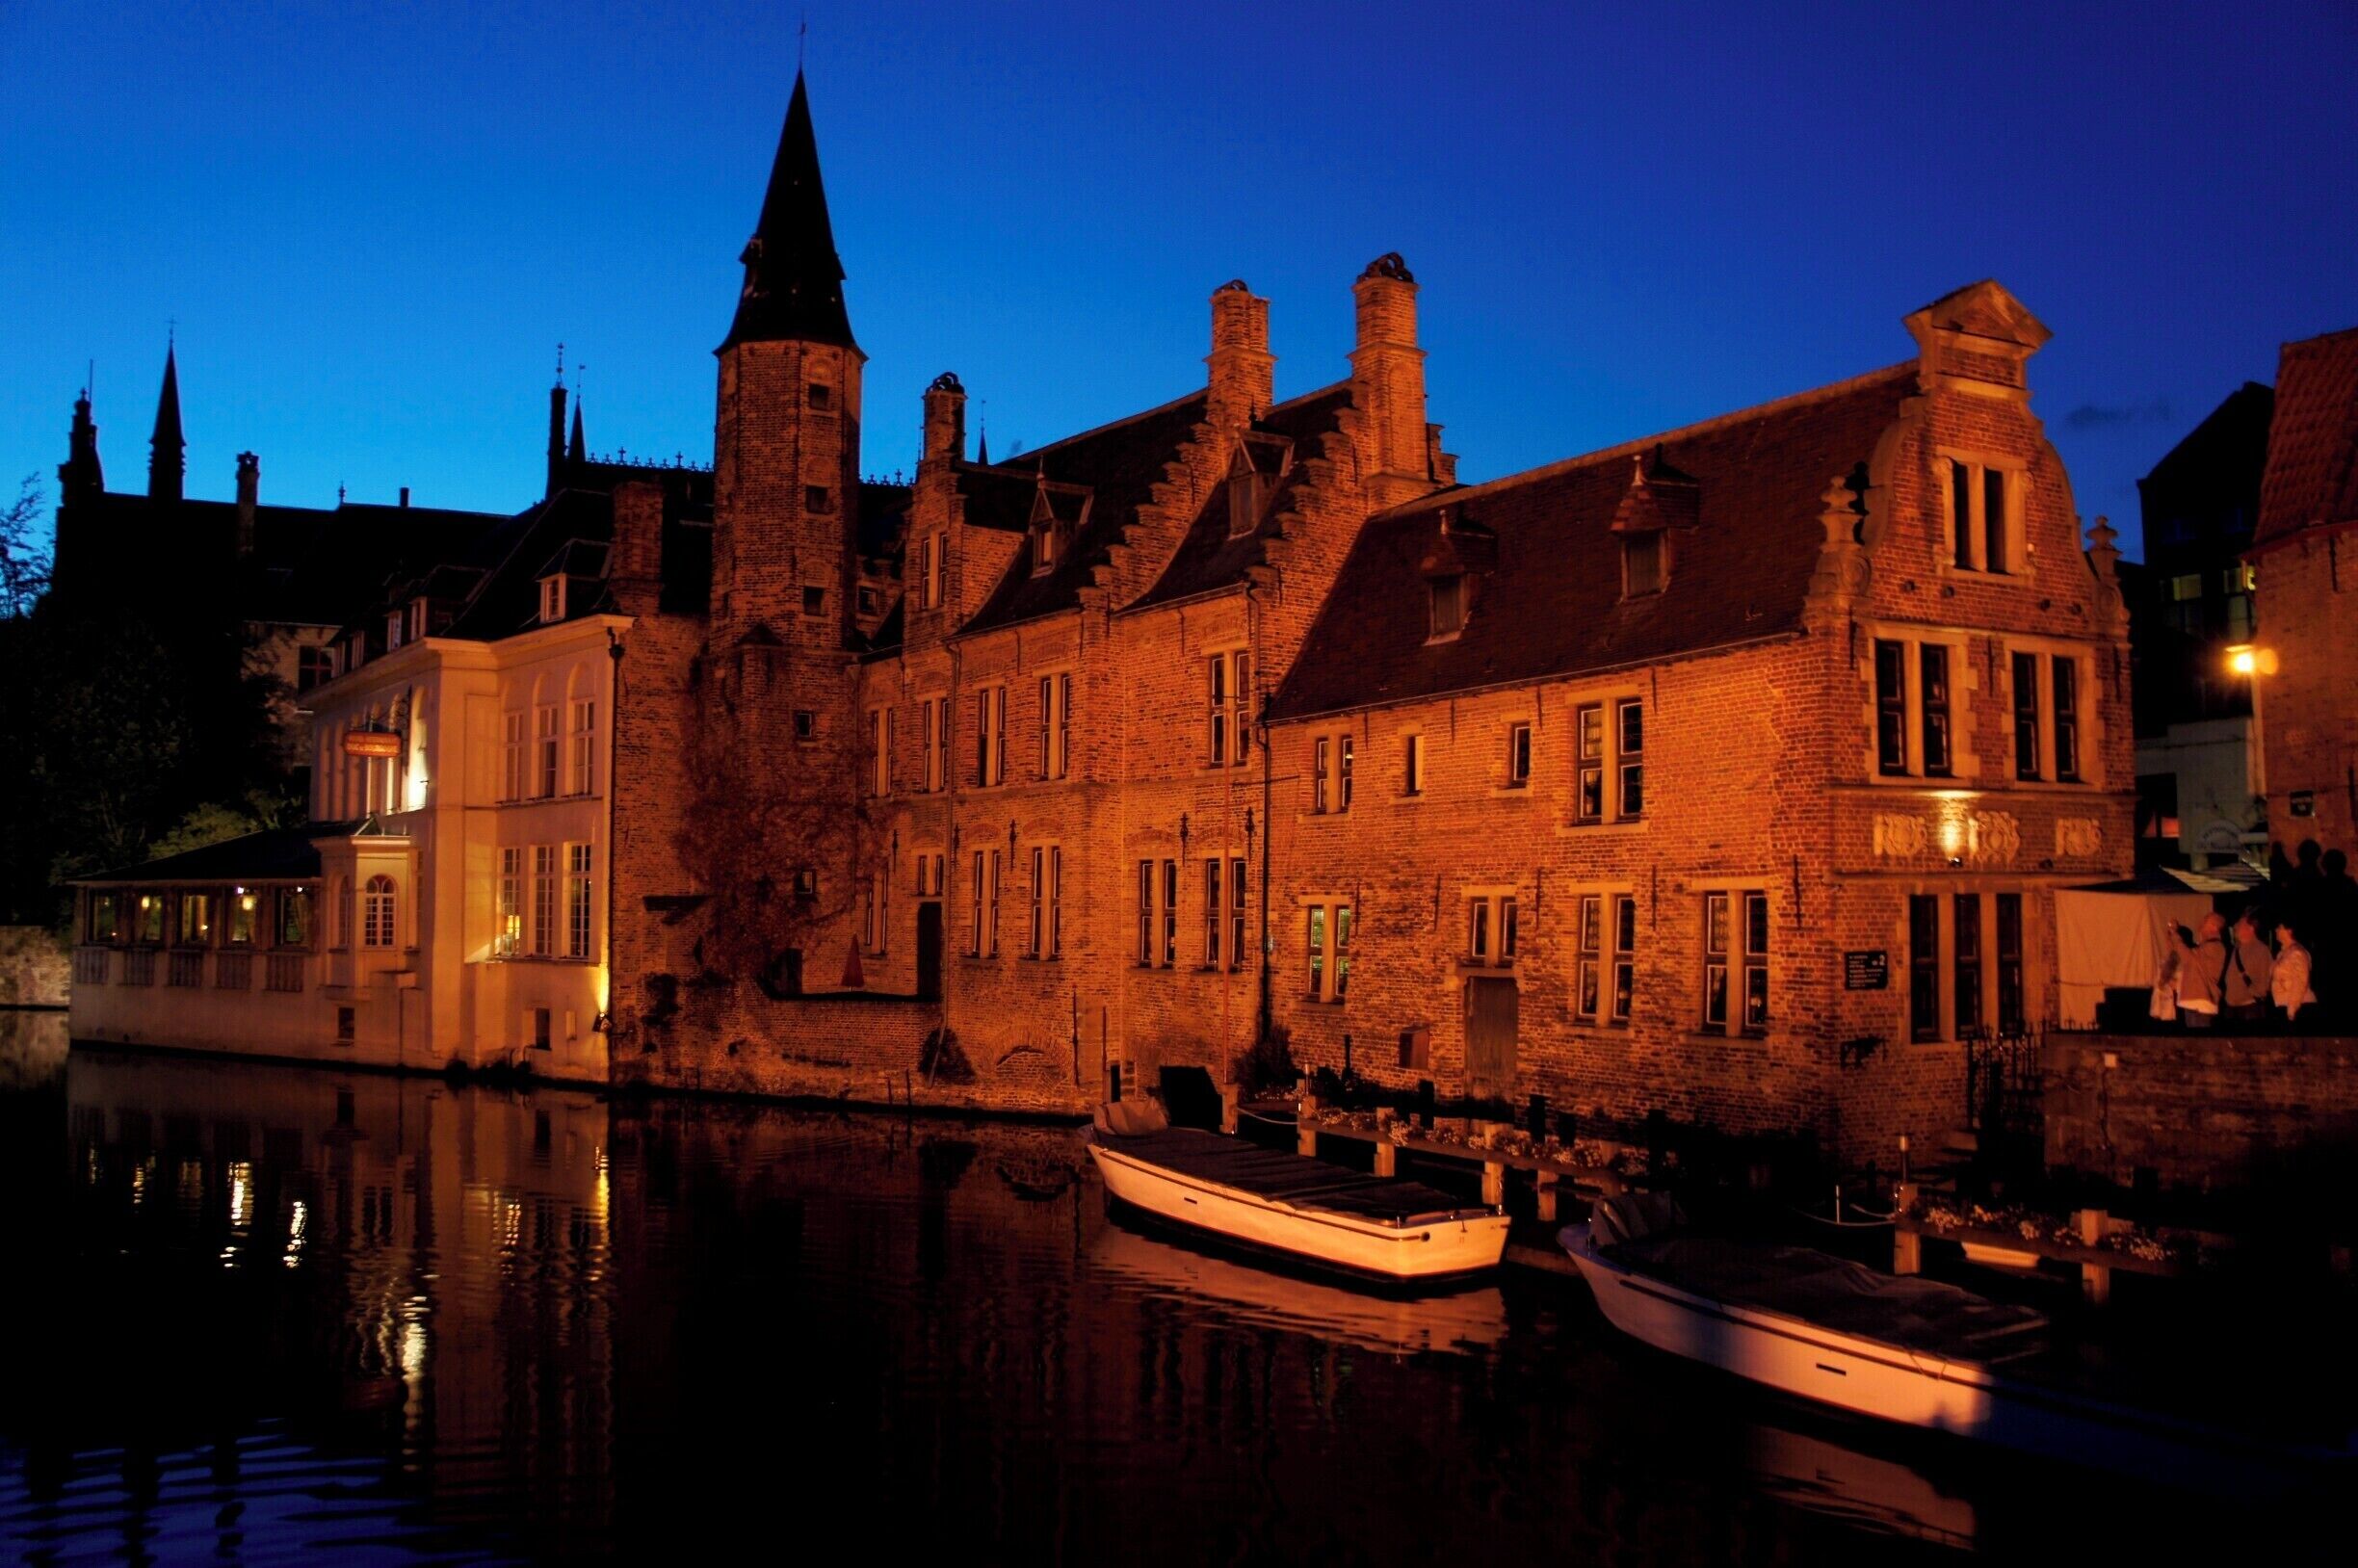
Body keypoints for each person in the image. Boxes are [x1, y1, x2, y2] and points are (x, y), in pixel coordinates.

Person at [2223, 909, 2274, 1027]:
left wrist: (2254, 992)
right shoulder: (2236, 949)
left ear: (2251, 928)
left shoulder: (2261, 950)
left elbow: (2264, 980)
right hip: (2232, 1006)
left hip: (2250, 1007)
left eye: (2240, 924)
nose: (2236, 927)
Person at [2179, 913, 2228, 1030]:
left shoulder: (2214, 947)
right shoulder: (2204, 946)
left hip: (2201, 1005)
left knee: (2200, 1044)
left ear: (2214, 927)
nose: (2201, 924)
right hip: (2195, 1003)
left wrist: (2177, 939)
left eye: (2205, 921)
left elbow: (2188, 958)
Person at [2273, 917, 2316, 1029]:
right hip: (2285, 1005)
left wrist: (2292, 1008)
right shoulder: (2283, 953)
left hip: (2297, 1007)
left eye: (2279, 927)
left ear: (2289, 931)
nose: (2276, 930)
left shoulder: (2297, 952)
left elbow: (2300, 980)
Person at [2149, 923, 2191, 1025]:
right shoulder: (2165, 961)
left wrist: (2175, 983)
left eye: (2171, 939)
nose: (2168, 942)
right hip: (2163, 1009)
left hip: (2178, 1008)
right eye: (2168, 938)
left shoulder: (2187, 959)